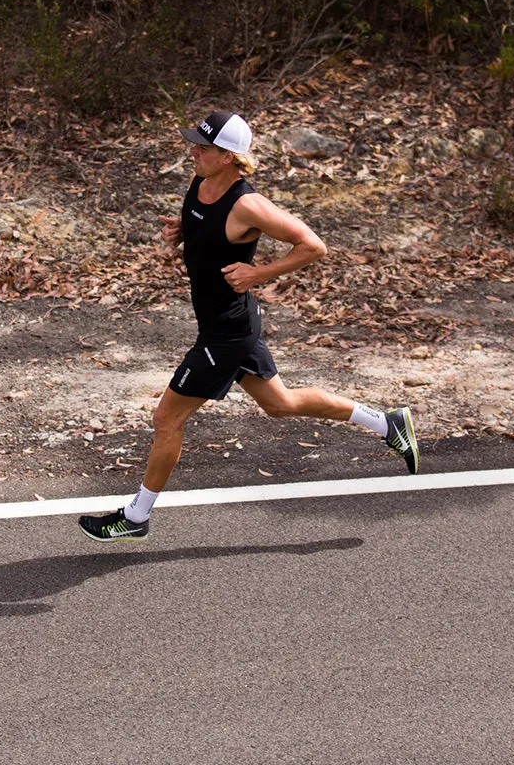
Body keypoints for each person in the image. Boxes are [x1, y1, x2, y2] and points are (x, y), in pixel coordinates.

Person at [79, 110, 419, 541]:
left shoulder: (248, 204)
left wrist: (259, 274)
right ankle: (387, 423)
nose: (192, 152)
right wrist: (185, 231)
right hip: (229, 324)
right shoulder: (200, 183)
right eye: (194, 143)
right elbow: (211, 229)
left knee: (166, 418)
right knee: (280, 404)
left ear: (227, 157)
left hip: (226, 332)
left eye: (202, 148)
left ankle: (135, 517)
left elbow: (313, 246)